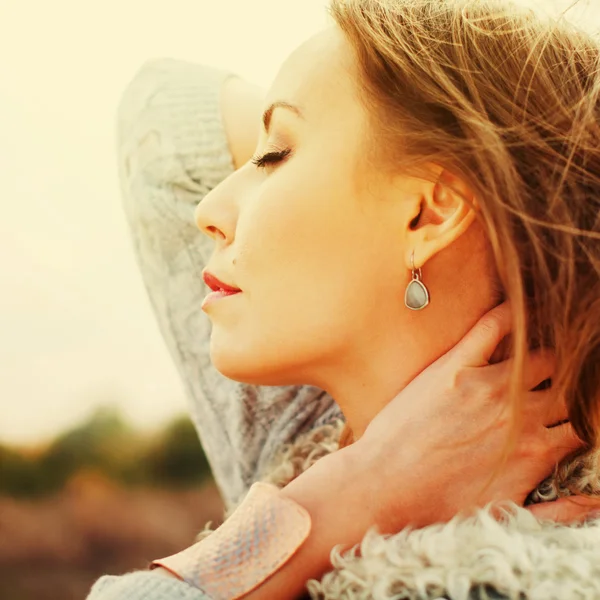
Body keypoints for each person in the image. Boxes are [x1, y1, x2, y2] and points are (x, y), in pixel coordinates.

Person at [88, 0, 600, 598]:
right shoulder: (315, 440)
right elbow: (163, 110)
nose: (209, 212)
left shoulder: (532, 574)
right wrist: (367, 481)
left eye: (274, 154)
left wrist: (353, 498)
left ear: (428, 210)